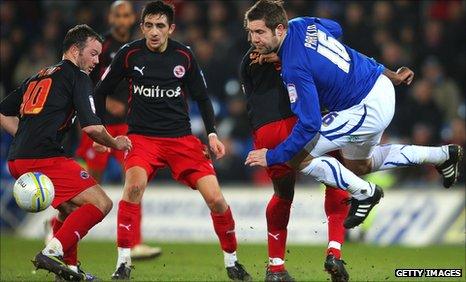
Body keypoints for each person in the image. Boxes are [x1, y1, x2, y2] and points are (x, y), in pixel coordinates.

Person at [244, 0, 462, 229]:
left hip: (365, 107)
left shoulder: (294, 68)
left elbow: (309, 124)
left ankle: (366, 193)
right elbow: (336, 28)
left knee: (295, 156)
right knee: (359, 166)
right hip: (378, 85)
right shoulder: (301, 24)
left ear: (280, 29)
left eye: (260, 32)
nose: (254, 40)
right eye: (250, 32)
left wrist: (273, 156)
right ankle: (443, 155)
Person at [94, 2, 251, 280]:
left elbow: (202, 97)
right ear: (142, 27)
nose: (154, 32)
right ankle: (122, 263)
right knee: (133, 188)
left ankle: (232, 262)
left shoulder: (184, 56)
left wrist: (212, 134)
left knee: (216, 199)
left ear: (171, 28)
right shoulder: (129, 54)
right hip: (142, 139)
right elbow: (101, 90)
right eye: (149, 26)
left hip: (181, 140)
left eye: (160, 26)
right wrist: (101, 132)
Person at [0, 24, 132, 281]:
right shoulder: (77, 76)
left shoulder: (38, 76)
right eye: (93, 53)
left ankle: (69, 270)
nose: (97, 60)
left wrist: (25, 136)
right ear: (74, 50)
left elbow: (3, 111)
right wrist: (115, 142)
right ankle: (52, 251)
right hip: (44, 156)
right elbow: (92, 127)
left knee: (70, 209)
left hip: (18, 158)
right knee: (101, 203)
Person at [241, 48, 350, 281]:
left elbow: (251, 100)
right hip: (303, 122)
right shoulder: (298, 48)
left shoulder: (245, 61)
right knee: (336, 178)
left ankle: (276, 267)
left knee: (282, 193)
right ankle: (334, 251)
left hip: (266, 130)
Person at [74, 0, 162, 260]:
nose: (123, 20)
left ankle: (133, 242)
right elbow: (84, 80)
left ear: (132, 18)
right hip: (99, 125)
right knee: (92, 184)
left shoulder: (138, 49)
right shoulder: (101, 47)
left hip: (129, 125)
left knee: (135, 181)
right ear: (112, 18)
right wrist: (101, 102)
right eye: (118, 15)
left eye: (127, 15)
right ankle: (59, 224)